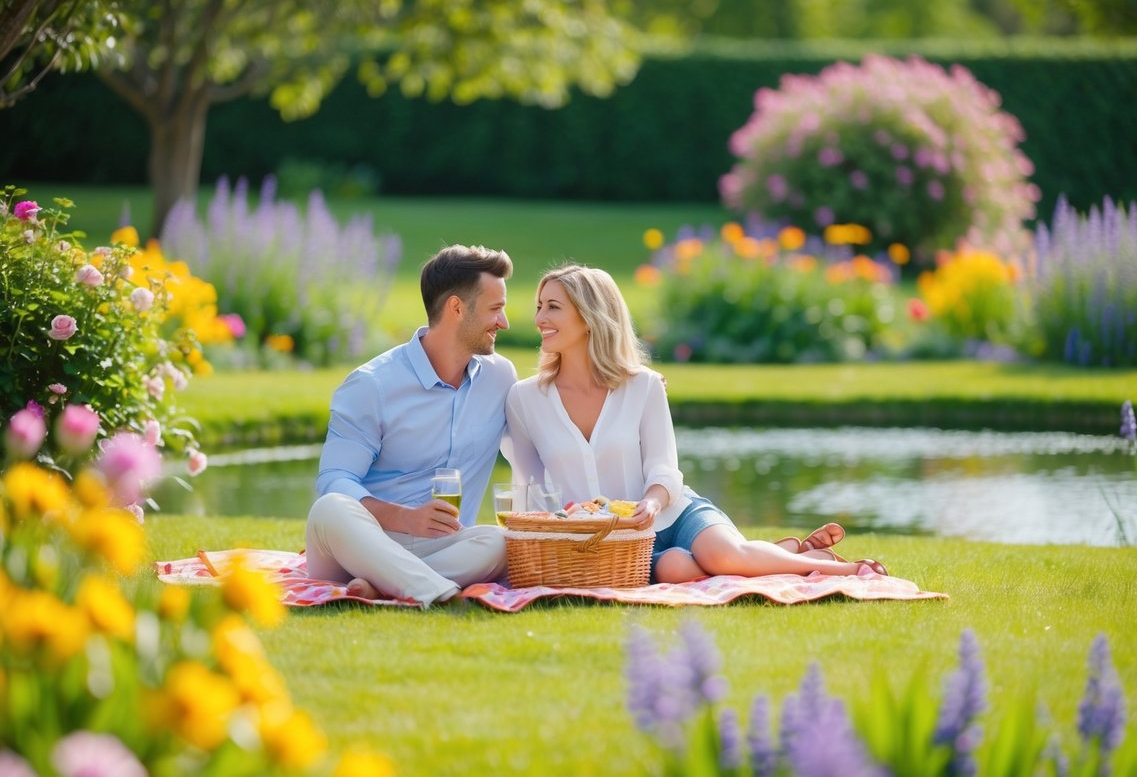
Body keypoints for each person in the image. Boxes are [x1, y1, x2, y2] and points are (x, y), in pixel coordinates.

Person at [504, 264, 888, 585]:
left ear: (590, 318)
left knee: (724, 556)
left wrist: (652, 503)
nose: (539, 319)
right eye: (539, 306)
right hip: (617, 545)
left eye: (552, 307)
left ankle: (846, 569)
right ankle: (786, 552)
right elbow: (530, 489)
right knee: (676, 569)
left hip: (672, 512)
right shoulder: (524, 399)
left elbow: (663, 467)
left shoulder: (644, 386)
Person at [305, 244, 516, 607]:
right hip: (361, 542)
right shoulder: (372, 385)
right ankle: (438, 592)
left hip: (444, 544)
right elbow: (334, 480)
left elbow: (552, 411)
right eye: (495, 309)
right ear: (456, 308)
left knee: (501, 542)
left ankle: (386, 587)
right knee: (330, 509)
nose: (504, 322)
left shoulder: (500, 378)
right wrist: (405, 518)